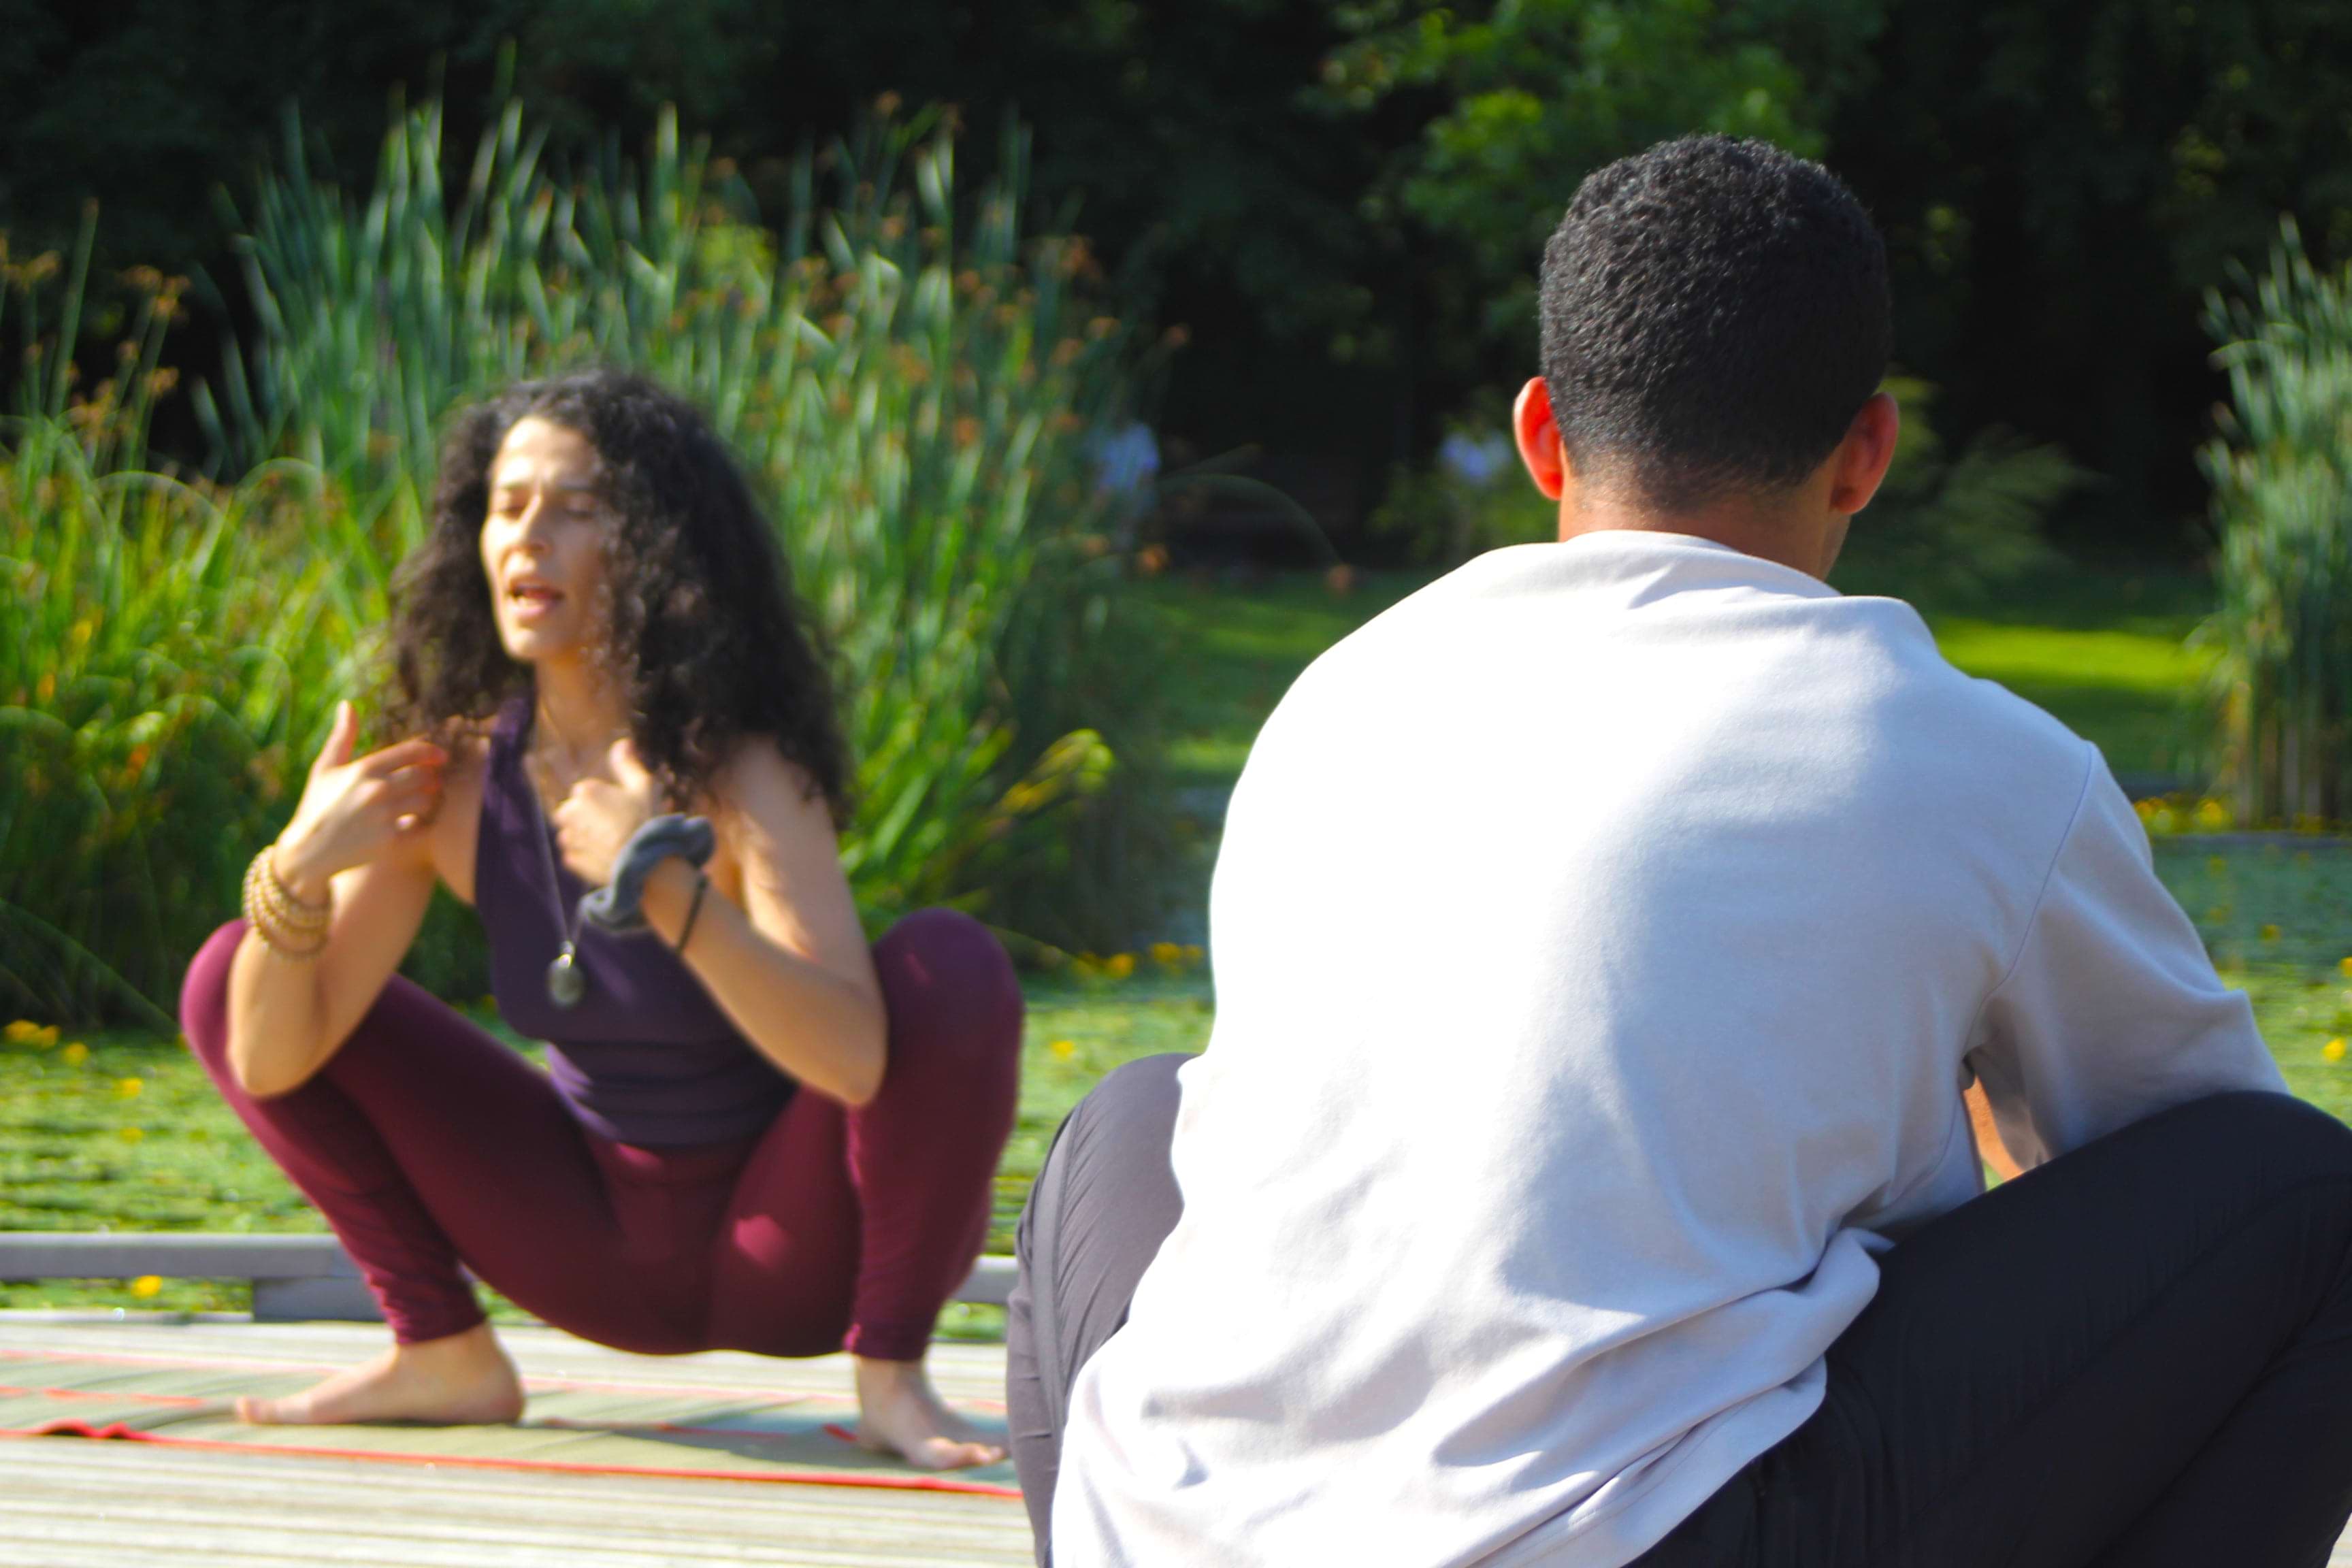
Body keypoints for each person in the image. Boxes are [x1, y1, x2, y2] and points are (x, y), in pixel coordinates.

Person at [1007, 135, 2352, 1564]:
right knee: (2311, 1201)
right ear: (1868, 454)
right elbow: (2174, 1157)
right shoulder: (1972, 758)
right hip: (1635, 1535)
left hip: (1177, 1528)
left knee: (1131, 1115)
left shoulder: (1339, 692)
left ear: (1541, 436)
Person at [179, 368, 1022, 1469]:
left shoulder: (745, 769)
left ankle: (893, 1378)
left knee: (946, 969)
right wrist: (297, 865)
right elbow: (272, 1057)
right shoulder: (455, 779)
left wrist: (665, 889)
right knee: (233, 969)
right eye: (508, 503)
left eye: (577, 508)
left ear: (657, 548)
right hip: (588, 1248)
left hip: (785, 1253)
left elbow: (857, 1062)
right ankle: (444, 1354)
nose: (529, 536)